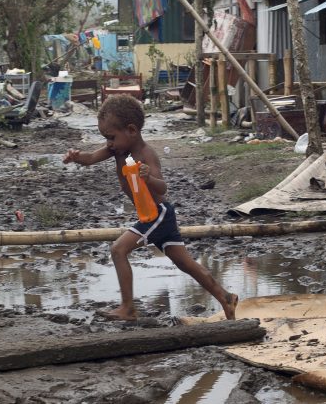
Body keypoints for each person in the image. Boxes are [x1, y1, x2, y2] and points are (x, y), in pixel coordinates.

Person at [63, 94, 239, 320]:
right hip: (155, 215)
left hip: (157, 214)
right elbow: (90, 158)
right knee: (185, 263)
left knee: (118, 250)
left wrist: (147, 177)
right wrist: (76, 157)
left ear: (132, 130)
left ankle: (128, 308)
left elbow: (162, 187)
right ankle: (226, 297)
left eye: (111, 137)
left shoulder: (146, 154)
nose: (108, 143)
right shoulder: (117, 149)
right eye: (105, 138)